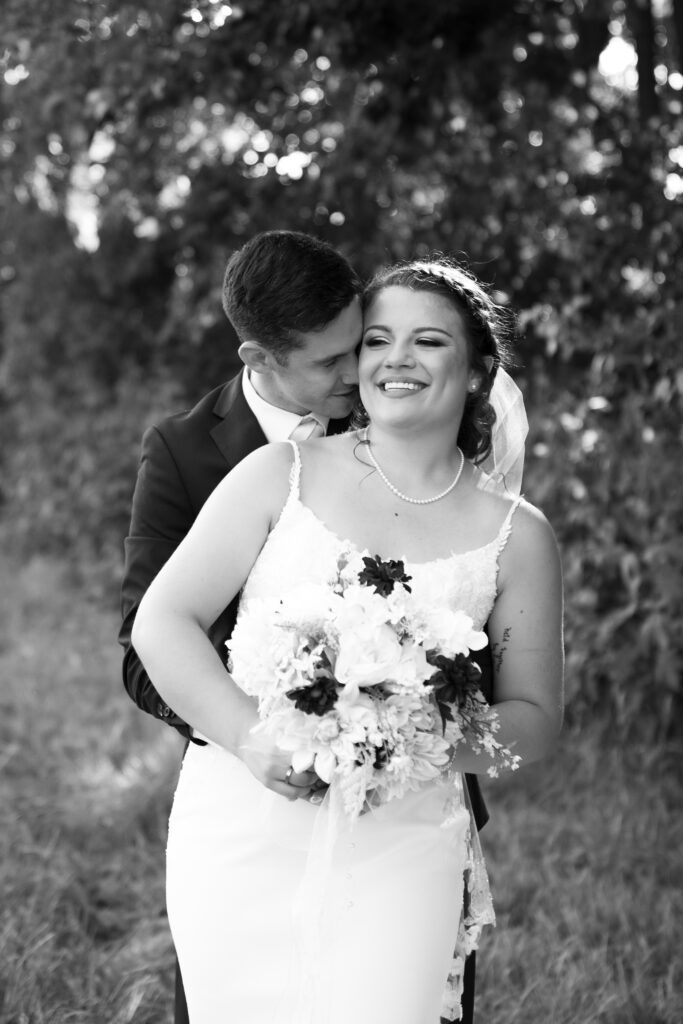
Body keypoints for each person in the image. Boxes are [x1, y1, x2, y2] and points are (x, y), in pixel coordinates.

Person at [130, 257, 565, 1023]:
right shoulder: (276, 472)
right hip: (243, 822)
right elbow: (160, 623)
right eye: (376, 340)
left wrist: (401, 738)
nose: (394, 358)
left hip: (402, 839)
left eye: (427, 341)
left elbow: (532, 721)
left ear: (476, 372)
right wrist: (251, 734)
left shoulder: (517, 536)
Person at [118, 230, 362, 1024]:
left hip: (398, 793)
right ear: (257, 358)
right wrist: (250, 734)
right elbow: (143, 652)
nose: (358, 373)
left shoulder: (401, 417)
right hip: (250, 796)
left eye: (358, 344)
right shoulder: (185, 452)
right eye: (330, 362)